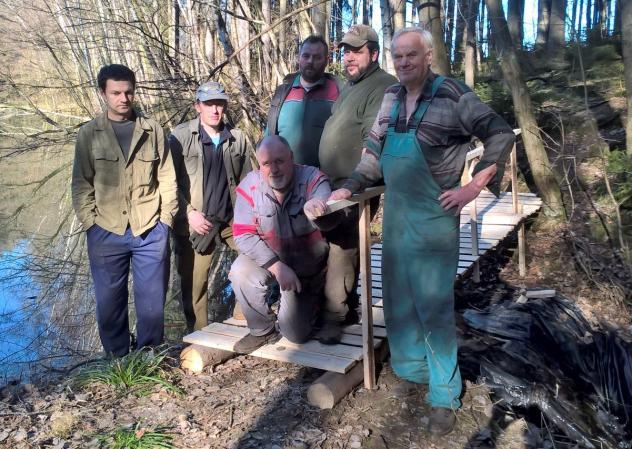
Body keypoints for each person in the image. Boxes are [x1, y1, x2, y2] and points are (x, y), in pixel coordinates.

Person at [330, 28, 516, 436]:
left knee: (433, 309)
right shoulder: (391, 98)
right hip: (396, 217)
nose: (403, 62)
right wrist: (349, 186)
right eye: (398, 55)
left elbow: (499, 133)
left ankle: (445, 395)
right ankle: (415, 375)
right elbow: (375, 152)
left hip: (434, 219)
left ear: (428, 55)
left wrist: (471, 188)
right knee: (397, 302)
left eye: (411, 55)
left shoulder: (452, 95)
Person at [71, 64, 178, 357]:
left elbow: (167, 177)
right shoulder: (89, 134)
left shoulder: (152, 129)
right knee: (109, 305)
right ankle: (117, 358)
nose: (124, 98)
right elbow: (81, 184)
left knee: (152, 304)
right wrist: (91, 223)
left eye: (129, 92)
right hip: (105, 230)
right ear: (103, 93)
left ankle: (148, 356)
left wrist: (165, 220)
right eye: (116, 92)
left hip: (149, 230)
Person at [316, 25, 398, 344]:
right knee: (326, 242)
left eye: (356, 51)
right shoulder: (351, 86)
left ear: (374, 54)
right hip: (330, 183)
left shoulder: (383, 87)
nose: (348, 57)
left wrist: (353, 184)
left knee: (343, 245)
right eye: (346, 51)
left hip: (356, 185)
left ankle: (336, 316)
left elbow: (373, 142)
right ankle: (339, 307)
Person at [228, 136, 334, 354]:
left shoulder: (312, 178)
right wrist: (277, 267)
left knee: (296, 334)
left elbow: (322, 195)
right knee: (239, 271)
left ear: (291, 158)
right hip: (271, 256)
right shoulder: (249, 186)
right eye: (267, 164)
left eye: (280, 161)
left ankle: (317, 301)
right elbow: (242, 235)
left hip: (307, 265)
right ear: (259, 165)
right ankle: (262, 330)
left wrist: (317, 205)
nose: (274, 169)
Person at [169, 81, 253, 332]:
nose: (215, 110)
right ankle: (200, 336)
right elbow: (167, 183)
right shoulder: (179, 137)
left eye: (220, 104)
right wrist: (189, 214)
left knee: (257, 255)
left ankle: (244, 315)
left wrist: (250, 218)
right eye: (209, 104)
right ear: (198, 106)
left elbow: (250, 182)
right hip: (197, 223)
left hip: (230, 220)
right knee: (195, 286)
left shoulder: (237, 139)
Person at [266, 35, 340, 167]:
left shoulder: (338, 92)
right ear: (299, 58)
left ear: (326, 61)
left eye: (317, 57)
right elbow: (269, 136)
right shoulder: (282, 93)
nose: (310, 61)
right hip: (285, 177)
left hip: (322, 180)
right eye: (306, 56)